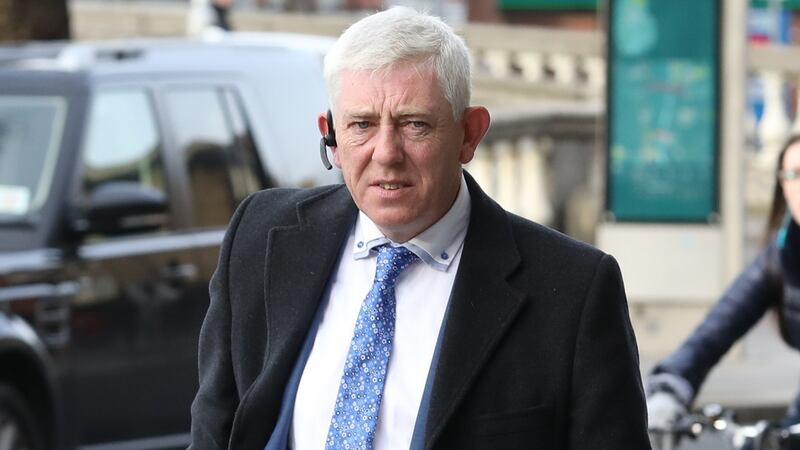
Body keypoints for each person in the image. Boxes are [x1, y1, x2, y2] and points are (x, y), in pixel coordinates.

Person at [189, 7, 649, 449]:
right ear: (329, 132)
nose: (386, 152)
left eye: (414, 125)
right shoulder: (260, 237)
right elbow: (215, 432)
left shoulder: (572, 291)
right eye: (362, 125)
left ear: (470, 133)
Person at [646, 134, 800, 444]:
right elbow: (717, 327)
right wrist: (669, 387)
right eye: (794, 174)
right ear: (782, 186)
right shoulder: (781, 255)